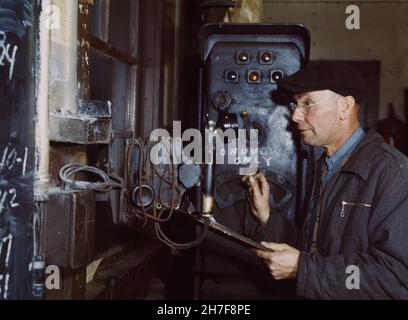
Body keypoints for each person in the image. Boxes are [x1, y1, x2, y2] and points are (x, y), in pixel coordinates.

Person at [242, 61, 408, 299]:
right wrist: (266, 215)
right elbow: (315, 249)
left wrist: (303, 269)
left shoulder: (393, 173)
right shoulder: (325, 166)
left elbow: (396, 278)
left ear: (345, 106)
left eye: (308, 103)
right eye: (296, 105)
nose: (296, 116)